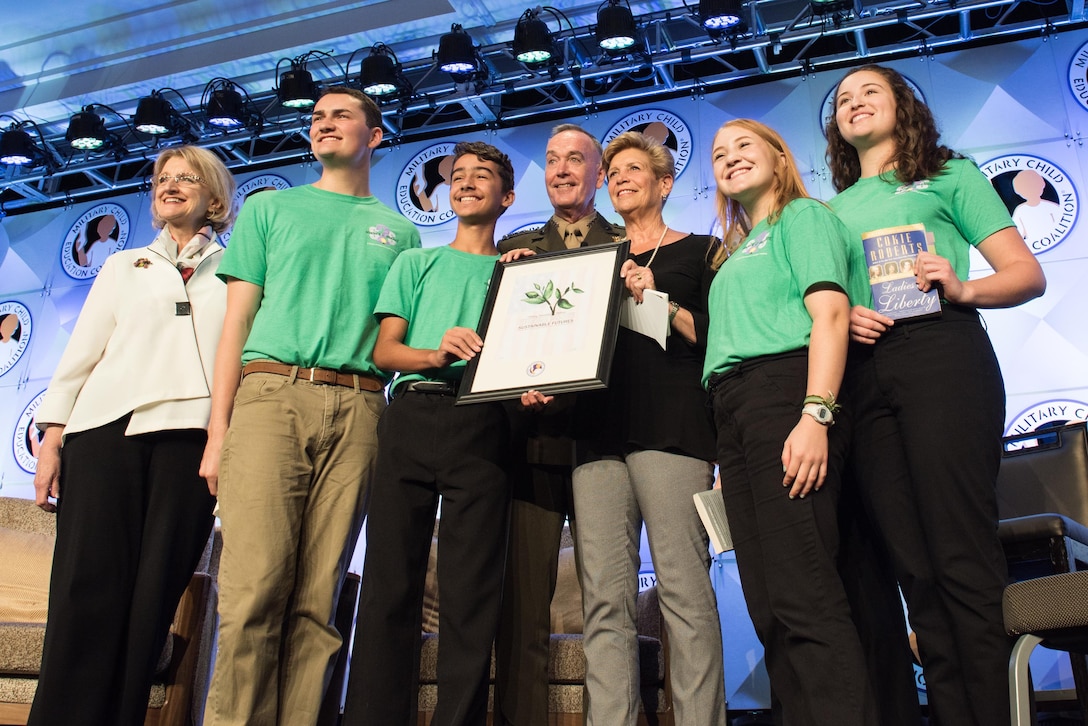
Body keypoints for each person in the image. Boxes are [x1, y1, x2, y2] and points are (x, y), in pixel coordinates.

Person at [826, 63, 1046, 726]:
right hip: (865, 375)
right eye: (842, 99)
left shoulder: (950, 175)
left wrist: (962, 286)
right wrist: (845, 316)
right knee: (915, 572)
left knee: (960, 557)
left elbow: (1026, 275)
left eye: (870, 92)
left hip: (943, 355)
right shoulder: (829, 212)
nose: (855, 103)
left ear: (904, 106)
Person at [200, 86, 421, 726]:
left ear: (374, 136)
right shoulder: (270, 210)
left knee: (317, 601)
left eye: (341, 115)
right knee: (252, 593)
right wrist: (220, 432)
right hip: (271, 397)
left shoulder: (400, 231)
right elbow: (235, 327)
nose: (325, 124)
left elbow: (394, 338)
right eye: (317, 117)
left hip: (360, 408)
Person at [28, 145, 236, 726]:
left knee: (152, 600)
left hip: (190, 439)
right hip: (105, 431)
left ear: (214, 198)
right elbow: (80, 355)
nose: (169, 186)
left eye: (186, 178)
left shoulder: (240, 272)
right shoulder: (123, 266)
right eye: (162, 179)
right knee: (83, 591)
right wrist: (52, 437)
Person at [703, 118, 877, 726]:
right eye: (719, 153)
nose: (729, 158)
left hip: (786, 396)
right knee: (768, 606)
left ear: (780, 157)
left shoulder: (803, 218)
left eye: (744, 146)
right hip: (736, 413)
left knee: (805, 593)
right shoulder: (731, 253)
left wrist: (815, 414)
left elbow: (830, 315)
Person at [342, 141, 516, 726]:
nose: (466, 183)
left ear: (507, 197)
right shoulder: (415, 262)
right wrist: (436, 352)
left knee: (471, 594)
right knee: (390, 583)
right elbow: (385, 350)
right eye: (458, 176)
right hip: (411, 415)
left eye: (482, 176)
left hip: (484, 422)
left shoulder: (515, 273)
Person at [571, 130, 726, 726]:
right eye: (613, 173)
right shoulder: (591, 259)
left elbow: (715, 339)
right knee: (604, 602)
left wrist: (659, 299)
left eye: (635, 169)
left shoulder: (702, 251)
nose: (621, 179)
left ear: (664, 183)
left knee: (683, 594)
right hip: (597, 434)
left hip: (674, 430)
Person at [493, 123, 622, 726]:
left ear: (600, 173)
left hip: (606, 444)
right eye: (551, 160)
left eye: (576, 159)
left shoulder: (627, 243)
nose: (563, 169)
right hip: (531, 446)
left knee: (609, 602)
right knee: (522, 610)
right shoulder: (514, 251)